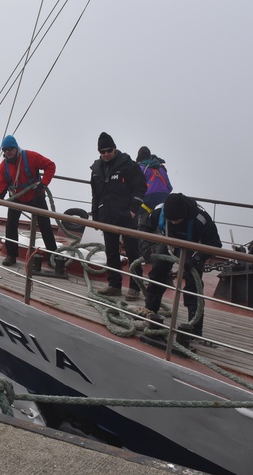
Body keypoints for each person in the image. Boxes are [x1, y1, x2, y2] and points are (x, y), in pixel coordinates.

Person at [139, 193, 222, 345]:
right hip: (168, 241)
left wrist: (197, 258)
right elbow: (144, 226)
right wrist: (144, 242)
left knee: (193, 286)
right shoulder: (160, 212)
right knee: (157, 274)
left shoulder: (201, 219)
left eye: (177, 220)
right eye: (172, 220)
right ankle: (150, 311)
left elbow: (215, 244)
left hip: (192, 248)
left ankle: (195, 329)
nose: (175, 222)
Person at [89, 132, 146, 300]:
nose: (106, 154)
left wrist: (133, 210)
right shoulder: (96, 170)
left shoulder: (128, 165)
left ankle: (135, 287)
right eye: (102, 151)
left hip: (126, 217)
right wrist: (96, 215)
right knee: (111, 252)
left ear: (115, 148)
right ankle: (114, 285)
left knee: (132, 252)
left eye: (109, 150)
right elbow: (95, 194)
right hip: (107, 216)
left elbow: (141, 187)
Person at [0, 134, 58, 267]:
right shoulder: (3, 167)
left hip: (36, 196)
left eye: (10, 149)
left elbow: (50, 165)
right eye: (5, 150)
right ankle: (11, 255)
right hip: (17, 197)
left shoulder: (30, 157)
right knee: (11, 225)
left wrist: (44, 183)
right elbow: (1, 188)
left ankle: (53, 257)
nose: (8, 152)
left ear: (16, 148)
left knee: (45, 225)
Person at [135, 146, 173, 226]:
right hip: (164, 201)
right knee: (161, 223)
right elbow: (169, 188)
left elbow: (135, 188)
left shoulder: (140, 168)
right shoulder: (162, 169)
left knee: (141, 223)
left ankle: (141, 234)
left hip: (147, 202)